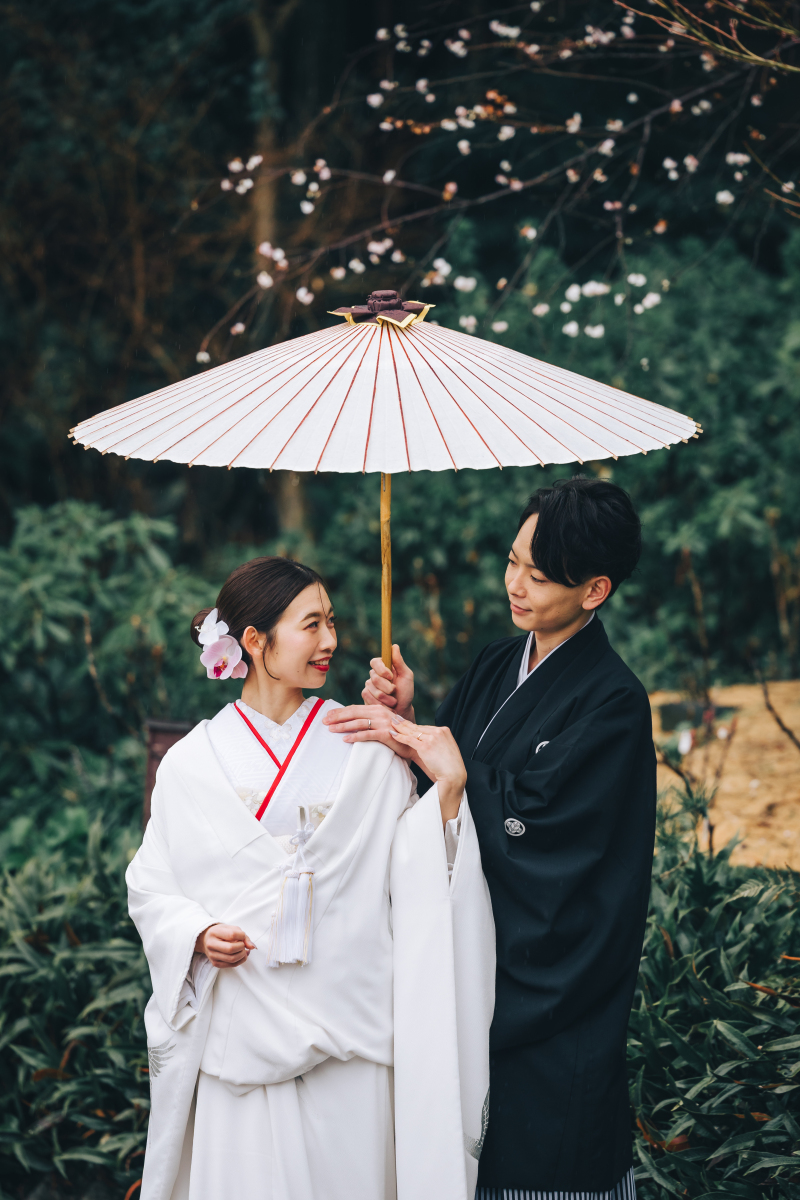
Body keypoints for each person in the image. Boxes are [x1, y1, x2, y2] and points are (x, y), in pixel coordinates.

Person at [325, 477, 656, 1200]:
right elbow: (435, 793)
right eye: (513, 561)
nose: (516, 584)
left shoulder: (614, 703)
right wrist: (408, 722)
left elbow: (552, 849)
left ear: (595, 589)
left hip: (551, 995)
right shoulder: (491, 664)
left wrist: (459, 771)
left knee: (542, 1159)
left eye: (538, 576)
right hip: (464, 976)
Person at [126, 556, 495, 1200]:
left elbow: (412, 871)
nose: (330, 641)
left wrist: (446, 789)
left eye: (332, 621)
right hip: (241, 1045)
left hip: (347, 1048)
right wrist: (197, 931)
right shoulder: (191, 764)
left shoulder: (363, 743)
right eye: (310, 624)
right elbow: (153, 886)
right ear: (253, 641)